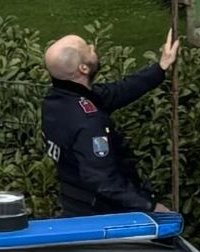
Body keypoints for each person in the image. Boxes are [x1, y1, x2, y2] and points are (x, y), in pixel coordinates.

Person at [42, 28, 179, 214]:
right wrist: (150, 207)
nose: (93, 46)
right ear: (83, 68)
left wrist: (160, 67)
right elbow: (103, 180)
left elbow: (117, 92)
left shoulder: (58, 100)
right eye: (87, 49)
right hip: (99, 213)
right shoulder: (88, 122)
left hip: (74, 202)